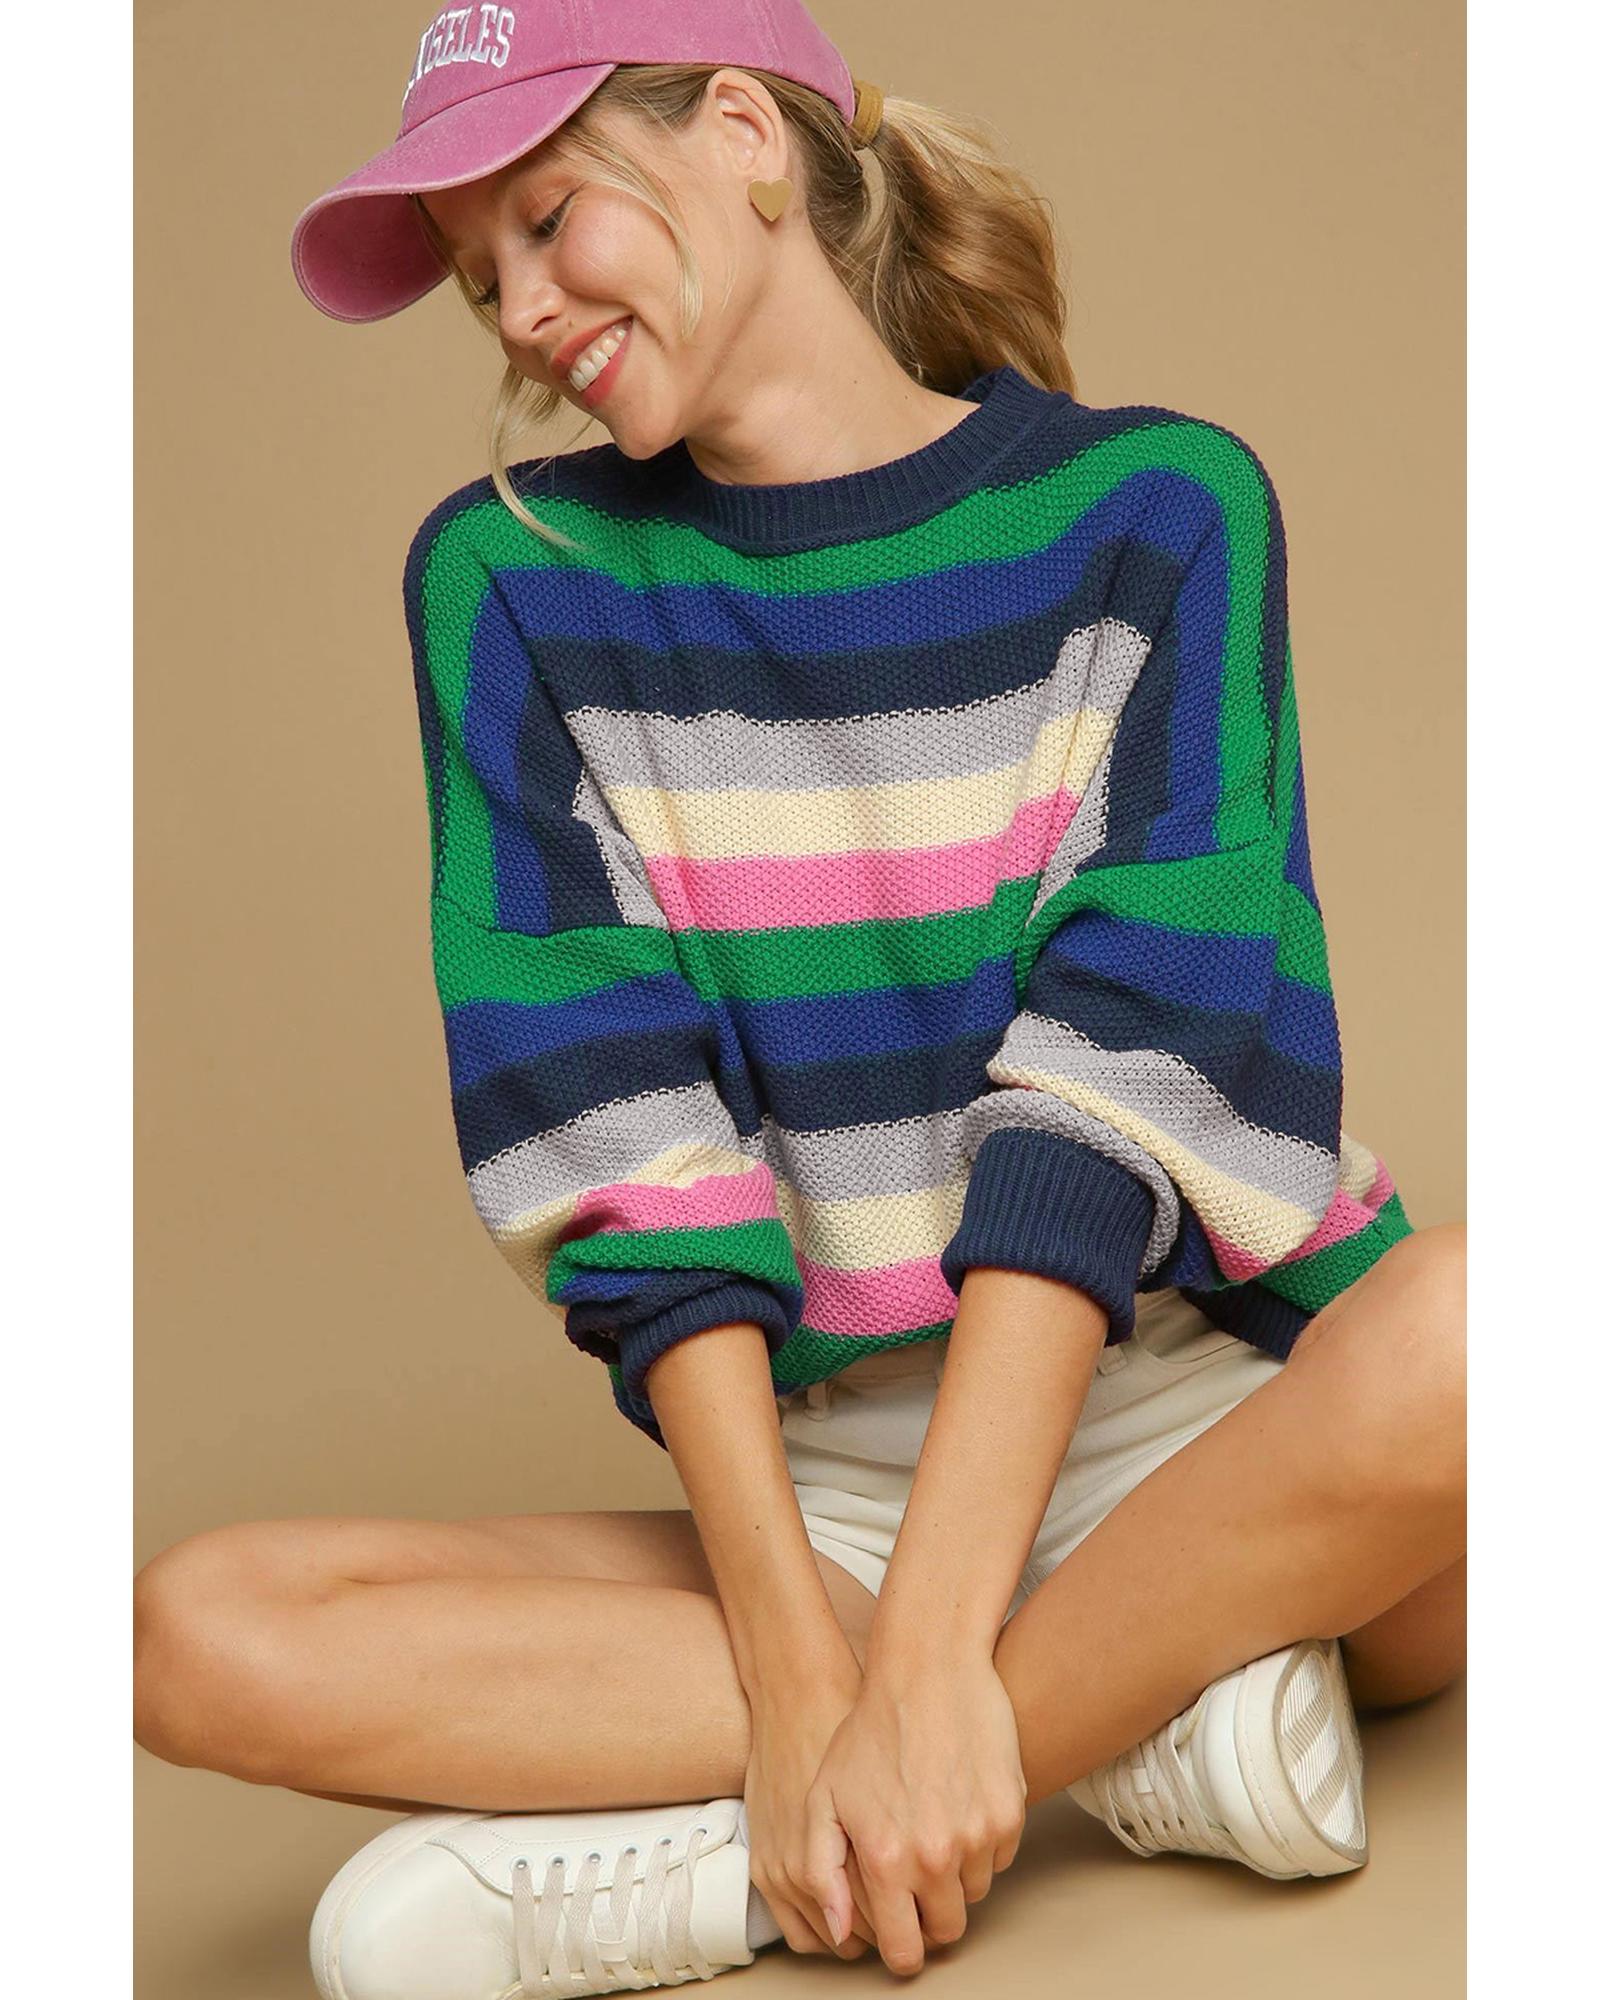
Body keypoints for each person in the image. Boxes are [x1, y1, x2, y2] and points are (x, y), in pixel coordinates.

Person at [133, 5, 1467, 1996]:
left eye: (547, 219)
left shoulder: (1159, 508)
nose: (518, 309)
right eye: (477, 273)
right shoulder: (511, 587)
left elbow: (1120, 1084)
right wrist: (791, 1652)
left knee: (1493, 1343)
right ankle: (1134, 1705)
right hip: (827, 1480)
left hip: (1213, 1412)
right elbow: (616, 1131)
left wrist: (920, 1662)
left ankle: (800, 1851)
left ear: (746, 135)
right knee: (197, 1636)